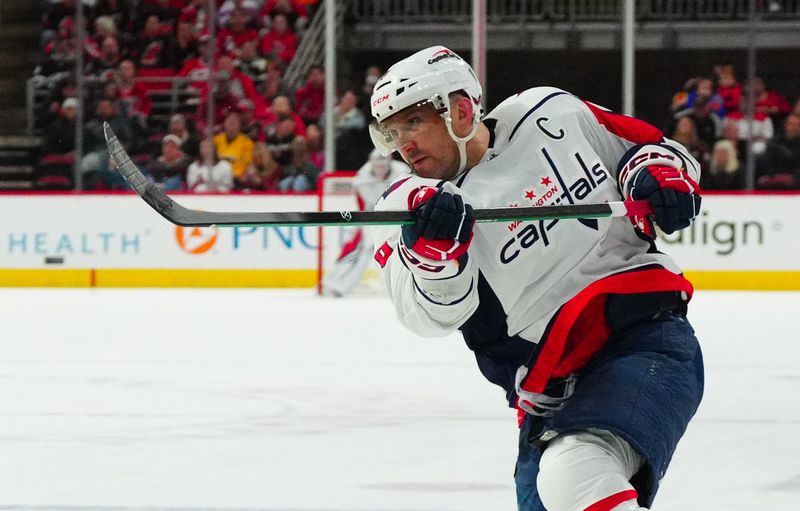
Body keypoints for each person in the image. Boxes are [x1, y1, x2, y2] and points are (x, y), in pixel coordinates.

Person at [368, 46, 704, 511]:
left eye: (412, 123)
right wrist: (436, 255)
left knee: (577, 472)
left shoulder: (550, 112)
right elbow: (429, 317)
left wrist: (660, 175)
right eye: (391, 131)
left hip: (645, 339)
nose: (402, 144)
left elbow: (652, 148)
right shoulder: (411, 207)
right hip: (548, 395)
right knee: (561, 488)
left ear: (460, 111)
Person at [322, 150, 411, 297]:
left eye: (383, 167)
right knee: (360, 247)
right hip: (371, 214)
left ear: (390, 163)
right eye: (377, 167)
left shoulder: (403, 172)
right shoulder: (362, 178)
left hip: (400, 214)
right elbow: (363, 204)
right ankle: (336, 284)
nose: (380, 170)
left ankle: (407, 288)